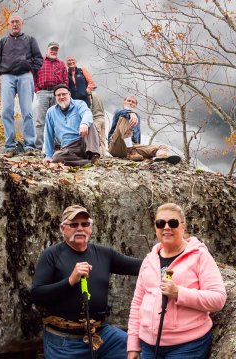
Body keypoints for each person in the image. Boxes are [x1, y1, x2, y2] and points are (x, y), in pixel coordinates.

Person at [31, 204, 142, 359]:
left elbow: (140, 266)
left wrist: (165, 254)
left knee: (137, 348)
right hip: (64, 341)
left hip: (102, 335)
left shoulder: (104, 254)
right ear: (63, 229)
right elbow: (37, 294)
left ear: (90, 228)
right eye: (74, 224)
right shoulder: (52, 255)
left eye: (85, 224)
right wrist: (70, 281)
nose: (80, 228)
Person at [127, 203, 227, 359]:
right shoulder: (149, 260)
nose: (166, 227)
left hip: (187, 346)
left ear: (183, 227)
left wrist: (179, 293)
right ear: (155, 228)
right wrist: (133, 345)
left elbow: (218, 299)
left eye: (172, 223)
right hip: (148, 347)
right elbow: (137, 302)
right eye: (160, 223)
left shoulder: (199, 256)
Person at [0, 13, 43, 157]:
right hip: (6, 76)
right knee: (6, 110)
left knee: (27, 111)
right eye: (12, 22)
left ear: (22, 24)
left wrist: (29, 66)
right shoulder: (3, 41)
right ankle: (10, 146)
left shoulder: (30, 40)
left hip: (25, 76)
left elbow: (39, 59)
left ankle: (30, 145)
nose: (15, 24)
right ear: (9, 24)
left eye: (17, 22)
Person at [108, 96, 181, 164]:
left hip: (133, 148)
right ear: (124, 102)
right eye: (128, 101)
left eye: (133, 102)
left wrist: (141, 150)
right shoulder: (119, 111)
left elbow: (137, 137)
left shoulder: (137, 118)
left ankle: (161, 158)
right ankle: (130, 151)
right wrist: (131, 113)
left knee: (162, 147)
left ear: (135, 105)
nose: (130, 103)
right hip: (116, 145)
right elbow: (121, 112)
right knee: (125, 118)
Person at [43, 84, 100, 166]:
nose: (61, 97)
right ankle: (87, 162)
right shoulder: (51, 112)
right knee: (56, 157)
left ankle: (94, 155)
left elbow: (87, 113)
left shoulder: (79, 104)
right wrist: (48, 155)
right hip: (68, 148)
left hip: (84, 141)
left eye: (64, 94)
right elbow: (49, 133)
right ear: (55, 97)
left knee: (89, 123)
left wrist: (84, 123)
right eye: (58, 95)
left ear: (69, 94)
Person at [67, 55, 107, 155]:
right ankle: (79, 147)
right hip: (73, 102)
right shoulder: (66, 73)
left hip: (85, 100)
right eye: (69, 61)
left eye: (72, 60)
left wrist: (87, 91)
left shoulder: (82, 71)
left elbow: (91, 83)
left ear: (75, 61)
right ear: (67, 63)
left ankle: (92, 149)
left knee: (87, 122)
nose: (71, 62)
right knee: (75, 123)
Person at [33, 41, 68, 150]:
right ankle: (39, 146)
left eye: (56, 50)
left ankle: (57, 145)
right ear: (47, 50)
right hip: (42, 92)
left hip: (57, 94)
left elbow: (65, 79)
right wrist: (37, 90)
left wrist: (62, 92)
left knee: (57, 119)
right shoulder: (39, 62)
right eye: (52, 49)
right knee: (40, 120)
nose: (53, 51)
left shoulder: (61, 64)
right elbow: (33, 77)